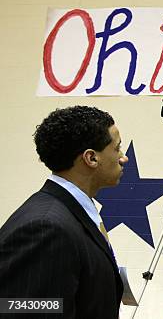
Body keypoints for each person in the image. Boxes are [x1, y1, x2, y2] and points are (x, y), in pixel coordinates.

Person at [0, 106, 128, 319]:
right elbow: (25, 309)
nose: (123, 158)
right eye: (117, 149)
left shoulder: (70, 213)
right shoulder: (46, 227)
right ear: (91, 158)